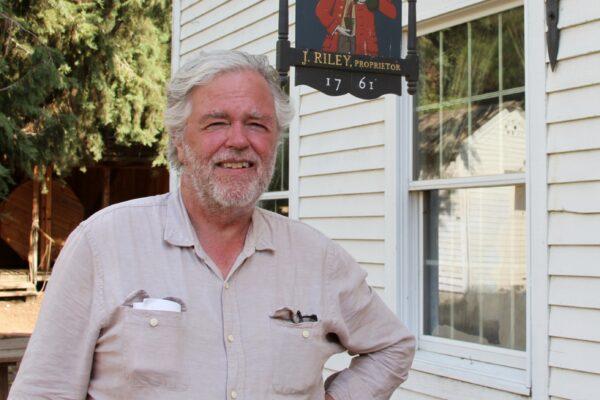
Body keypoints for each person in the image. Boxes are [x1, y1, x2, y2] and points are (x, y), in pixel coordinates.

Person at [9, 50, 415, 400]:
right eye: (216, 122)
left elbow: (393, 346)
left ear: (275, 141)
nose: (238, 140)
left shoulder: (317, 258)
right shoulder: (102, 245)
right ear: (179, 142)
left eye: (257, 123)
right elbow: (45, 389)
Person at [316, 0, 398, 56]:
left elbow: (392, 12)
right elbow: (320, 10)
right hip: (337, 41)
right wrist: (336, 27)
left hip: (364, 45)